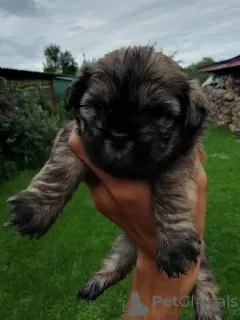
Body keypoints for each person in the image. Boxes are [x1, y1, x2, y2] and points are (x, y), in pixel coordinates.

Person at [68, 124, 207, 320]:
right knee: (133, 242)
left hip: (174, 229)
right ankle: (106, 275)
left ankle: (207, 303)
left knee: (190, 256)